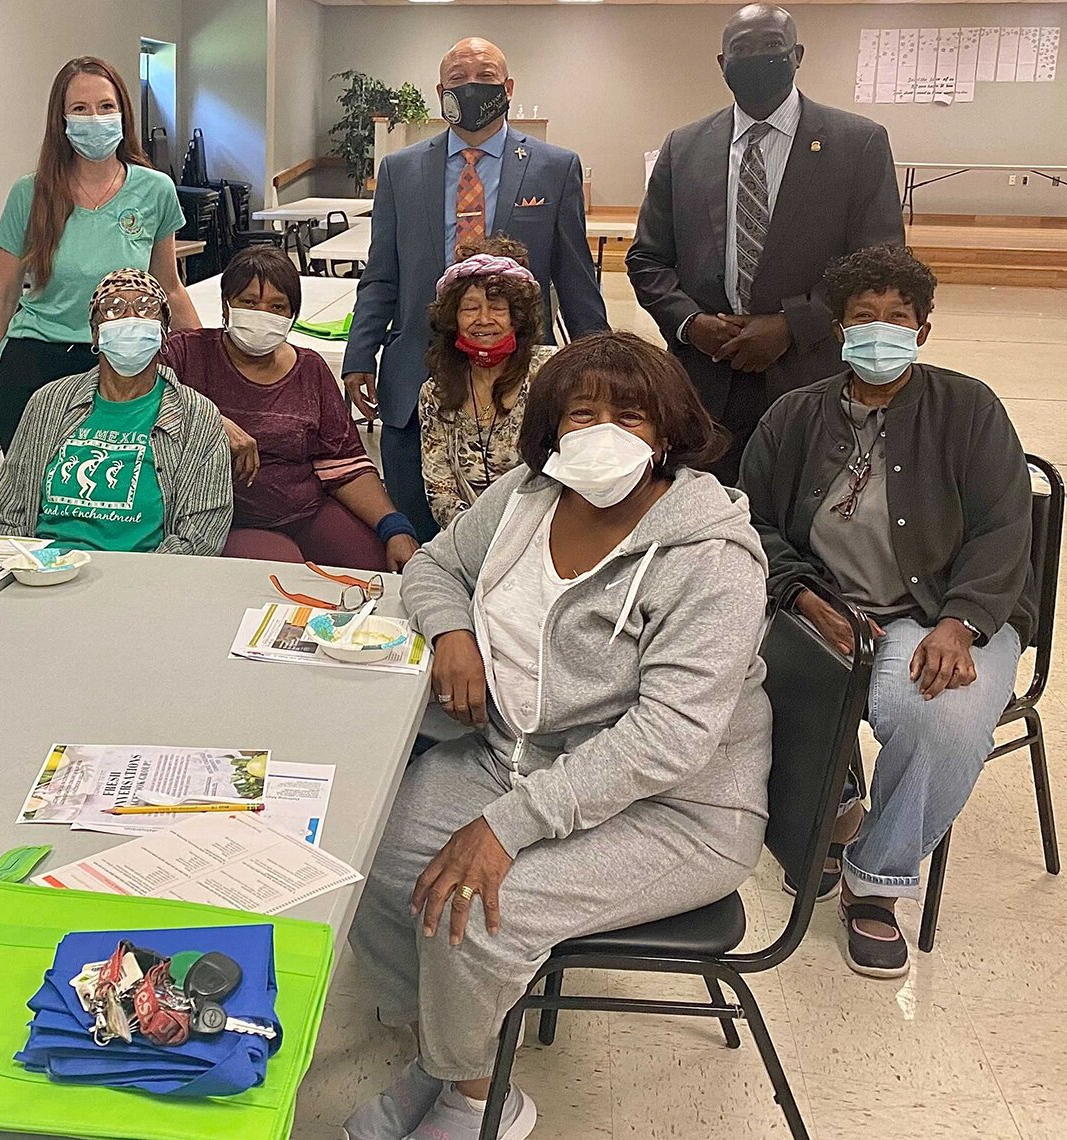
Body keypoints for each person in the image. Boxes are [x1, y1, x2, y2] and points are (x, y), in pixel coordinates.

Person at [347, 332, 771, 1140]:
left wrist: (506, 829)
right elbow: (434, 568)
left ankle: (480, 1100)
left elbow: (670, 739)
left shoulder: (709, 559)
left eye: (631, 416)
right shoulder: (525, 497)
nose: (604, 433)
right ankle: (440, 1055)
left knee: (468, 908)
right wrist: (453, 637)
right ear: (551, 428)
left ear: (669, 432)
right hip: (522, 756)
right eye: (583, 413)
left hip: (678, 810)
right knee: (378, 854)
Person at [739, 244, 1033, 979]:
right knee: (745, 674)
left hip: (941, 611)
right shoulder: (794, 416)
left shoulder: (970, 409)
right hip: (820, 605)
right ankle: (835, 803)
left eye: (896, 319)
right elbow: (751, 524)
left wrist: (958, 623)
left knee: (941, 717)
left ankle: (876, 881)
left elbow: (1005, 531)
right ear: (839, 329)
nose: (879, 331)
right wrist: (804, 597)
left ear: (923, 330)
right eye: (863, 318)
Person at [343, 36, 607, 542]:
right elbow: (382, 274)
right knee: (417, 534)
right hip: (416, 372)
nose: (471, 88)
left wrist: (600, 365)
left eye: (484, 78)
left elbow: (575, 279)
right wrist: (359, 357)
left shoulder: (555, 167)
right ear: (441, 91)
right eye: (458, 80)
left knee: (526, 534)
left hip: (520, 381)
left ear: (507, 88)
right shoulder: (400, 170)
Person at [627, 3, 904, 484]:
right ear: (722, 63)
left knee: (801, 511)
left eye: (771, 47)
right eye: (742, 49)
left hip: (808, 373)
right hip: (703, 382)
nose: (756, 57)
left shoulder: (856, 143)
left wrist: (791, 326)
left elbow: (879, 266)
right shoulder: (683, 147)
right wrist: (690, 324)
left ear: (797, 54)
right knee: (702, 518)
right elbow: (648, 259)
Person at [0, 56, 200, 452]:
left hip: (125, 361)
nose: (94, 118)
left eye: (105, 107)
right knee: (37, 500)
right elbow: (1, 294)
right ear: (61, 121)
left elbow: (170, 288)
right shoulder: (29, 194)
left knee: (117, 494)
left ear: (123, 114)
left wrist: (206, 366)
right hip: (35, 363)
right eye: (79, 109)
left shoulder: (155, 190)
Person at [163, 247, 418, 572]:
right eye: (249, 302)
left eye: (277, 306)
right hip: (230, 519)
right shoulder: (188, 354)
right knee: (288, 575)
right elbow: (130, 388)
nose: (261, 313)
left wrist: (393, 526)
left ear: (292, 316)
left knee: (379, 569)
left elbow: (344, 461)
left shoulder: (310, 369)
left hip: (306, 509)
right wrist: (210, 420)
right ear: (226, 306)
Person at [0, 269, 230, 554]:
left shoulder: (196, 416)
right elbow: (7, 512)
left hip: (142, 580)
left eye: (146, 308)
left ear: (164, 333)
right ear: (94, 334)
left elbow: (201, 536)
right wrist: (35, 567)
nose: (130, 319)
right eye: (113, 309)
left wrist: (134, 583)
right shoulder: (49, 403)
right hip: (44, 575)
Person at [418, 237, 556, 529]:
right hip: (465, 537)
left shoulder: (551, 374)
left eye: (497, 308)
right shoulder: (436, 391)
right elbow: (439, 487)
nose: (483, 319)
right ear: (453, 318)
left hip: (542, 534)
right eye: (470, 309)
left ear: (517, 317)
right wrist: (473, 540)